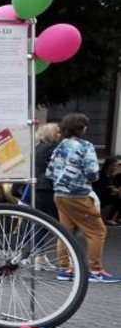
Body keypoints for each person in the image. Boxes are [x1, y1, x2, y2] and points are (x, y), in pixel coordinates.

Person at [47, 113, 118, 283]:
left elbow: (50, 171)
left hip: (59, 194)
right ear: (81, 128)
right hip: (78, 195)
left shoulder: (60, 146)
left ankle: (65, 269)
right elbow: (92, 172)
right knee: (97, 231)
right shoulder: (86, 146)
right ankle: (96, 270)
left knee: (65, 231)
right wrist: (88, 179)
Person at [94, 156, 121, 226]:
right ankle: (109, 219)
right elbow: (103, 186)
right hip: (100, 196)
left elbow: (112, 186)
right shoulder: (101, 174)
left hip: (108, 195)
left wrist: (114, 189)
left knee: (118, 197)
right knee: (117, 199)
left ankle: (117, 218)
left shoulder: (112, 176)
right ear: (110, 166)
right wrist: (112, 189)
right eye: (115, 165)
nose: (116, 167)